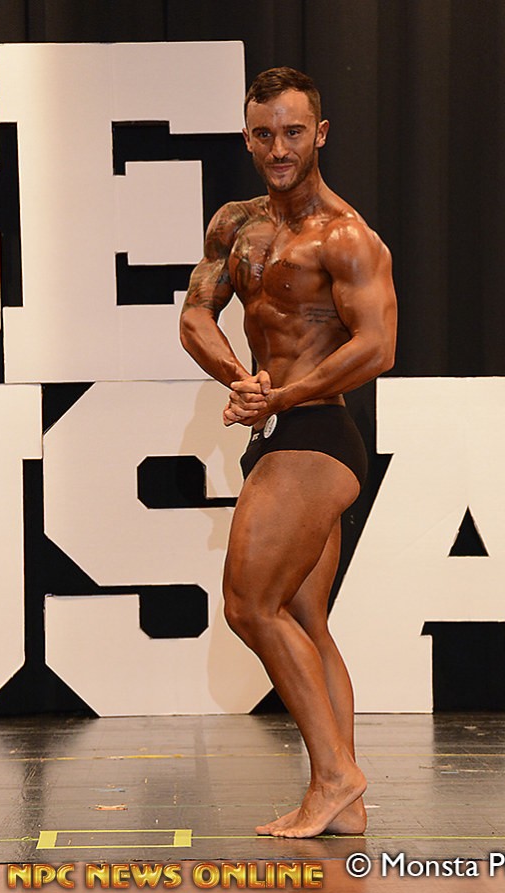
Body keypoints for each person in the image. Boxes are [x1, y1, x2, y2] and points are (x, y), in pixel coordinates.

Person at [179, 67, 397, 838]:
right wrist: (242, 381)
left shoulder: (345, 235)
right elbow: (196, 317)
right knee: (304, 615)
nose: (279, 148)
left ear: (320, 135)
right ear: (248, 137)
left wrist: (283, 396)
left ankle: (336, 775)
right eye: (265, 133)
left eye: (294, 132)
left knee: (249, 605)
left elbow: (378, 346)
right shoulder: (234, 225)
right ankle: (347, 803)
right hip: (275, 426)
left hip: (317, 435)